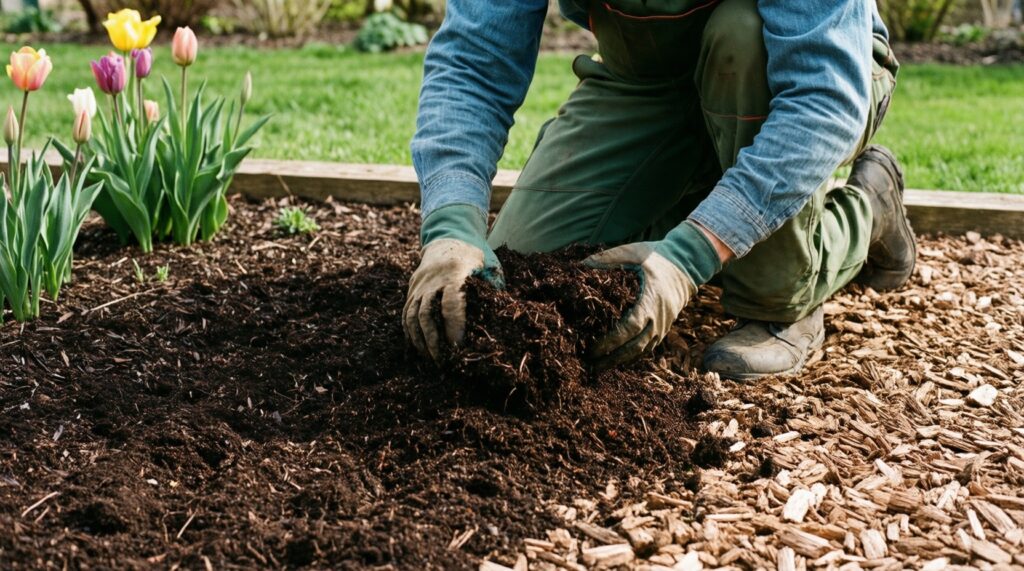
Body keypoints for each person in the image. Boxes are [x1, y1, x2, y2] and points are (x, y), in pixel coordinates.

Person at [403, 0, 917, 380]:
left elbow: (822, 100)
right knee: (529, 272)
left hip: (799, 74)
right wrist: (452, 224)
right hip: (644, 82)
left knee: (742, 36)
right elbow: (472, 63)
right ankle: (716, 191)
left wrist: (688, 258)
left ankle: (854, 222)